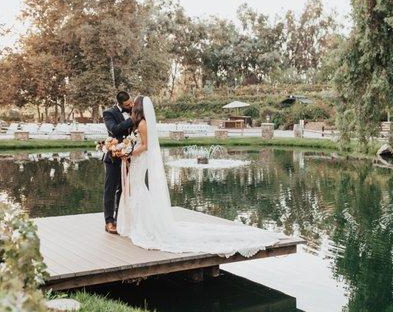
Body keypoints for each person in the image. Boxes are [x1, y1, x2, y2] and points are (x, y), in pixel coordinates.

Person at [116, 95, 282, 257]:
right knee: (135, 187)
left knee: (137, 187)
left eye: (134, 104)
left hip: (140, 158)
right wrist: (128, 150)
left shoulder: (143, 124)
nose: (132, 107)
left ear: (138, 107)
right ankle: (140, 223)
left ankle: (145, 226)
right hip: (137, 159)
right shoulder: (141, 123)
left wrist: (129, 152)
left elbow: (145, 146)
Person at [102, 91, 134, 234]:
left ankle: (119, 218)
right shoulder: (108, 113)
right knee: (110, 190)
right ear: (120, 104)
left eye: (131, 103)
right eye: (127, 105)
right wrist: (132, 119)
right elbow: (114, 130)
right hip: (113, 157)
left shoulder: (134, 111)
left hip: (130, 157)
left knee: (124, 189)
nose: (130, 106)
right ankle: (109, 221)